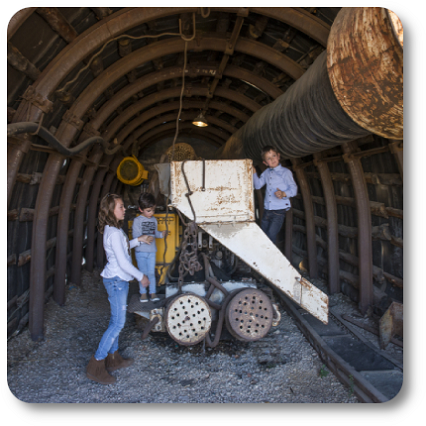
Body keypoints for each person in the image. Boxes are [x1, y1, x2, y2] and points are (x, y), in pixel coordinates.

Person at [86, 193, 151, 385]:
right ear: (110, 211)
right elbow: (123, 261)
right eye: (120, 207)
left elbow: (121, 249)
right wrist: (141, 276)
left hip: (117, 280)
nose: (124, 209)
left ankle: (113, 359)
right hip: (116, 280)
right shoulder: (113, 232)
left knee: (117, 321)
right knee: (117, 323)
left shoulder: (113, 230)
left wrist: (138, 240)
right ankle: (96, 365)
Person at [253, 145, 298, 244]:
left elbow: (294, 190)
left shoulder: (285, 173)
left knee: (271, 235)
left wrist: (284, 193)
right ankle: (264, 256)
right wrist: (254, 173)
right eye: (269, 158)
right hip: (267, 210)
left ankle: (270, 256)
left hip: (278, 212)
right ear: (265, 163)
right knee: (264, 235)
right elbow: (257, 186)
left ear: (278, 156)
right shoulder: (266, 173)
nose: (272, 159)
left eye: (274, 156)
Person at [132, 192, 166, 303]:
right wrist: (145, 239)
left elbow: (154, 233)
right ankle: (143, 293)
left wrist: (161, 234)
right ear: (141, 209)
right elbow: (136, 237)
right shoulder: (137, 221)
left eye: (153, 210)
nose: (151, 213)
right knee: (143, 273)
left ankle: (152, 292)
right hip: (141, 251)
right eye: (148, 210)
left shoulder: (154, 220)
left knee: (151, 272)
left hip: (152, 251)